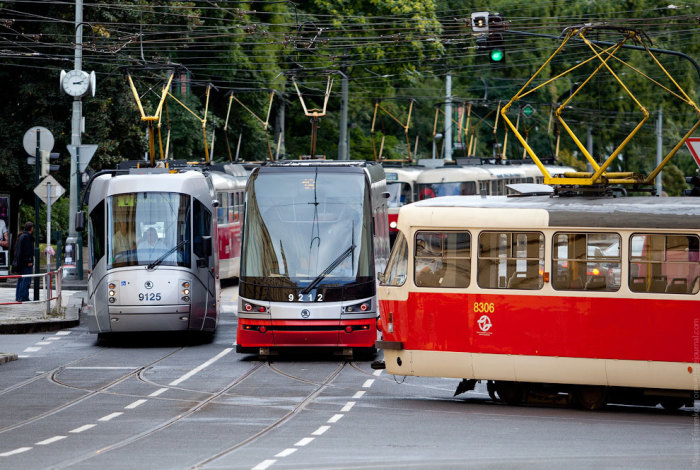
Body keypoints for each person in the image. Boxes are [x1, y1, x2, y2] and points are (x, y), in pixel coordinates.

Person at [15, 222, 34, 302]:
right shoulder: (27, 237)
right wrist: (29, 260)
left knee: (21, 280)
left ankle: (19, 296)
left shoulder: (21, 236)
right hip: (26, 263)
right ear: (31, 228)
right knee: (26, 280)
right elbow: (27, 250)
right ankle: (24, 297)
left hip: (20, 262)